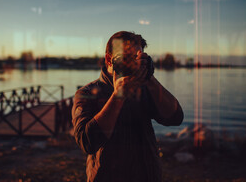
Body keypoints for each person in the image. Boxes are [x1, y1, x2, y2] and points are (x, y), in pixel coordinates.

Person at [72, 31, 184, 182]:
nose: (131, 63)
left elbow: (175, 118)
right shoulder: (87, 93)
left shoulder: (145, 88)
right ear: (109, 60)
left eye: (136, 58)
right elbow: (87, 142)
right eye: (126, 57)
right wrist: (118, 96)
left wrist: (148, 76)